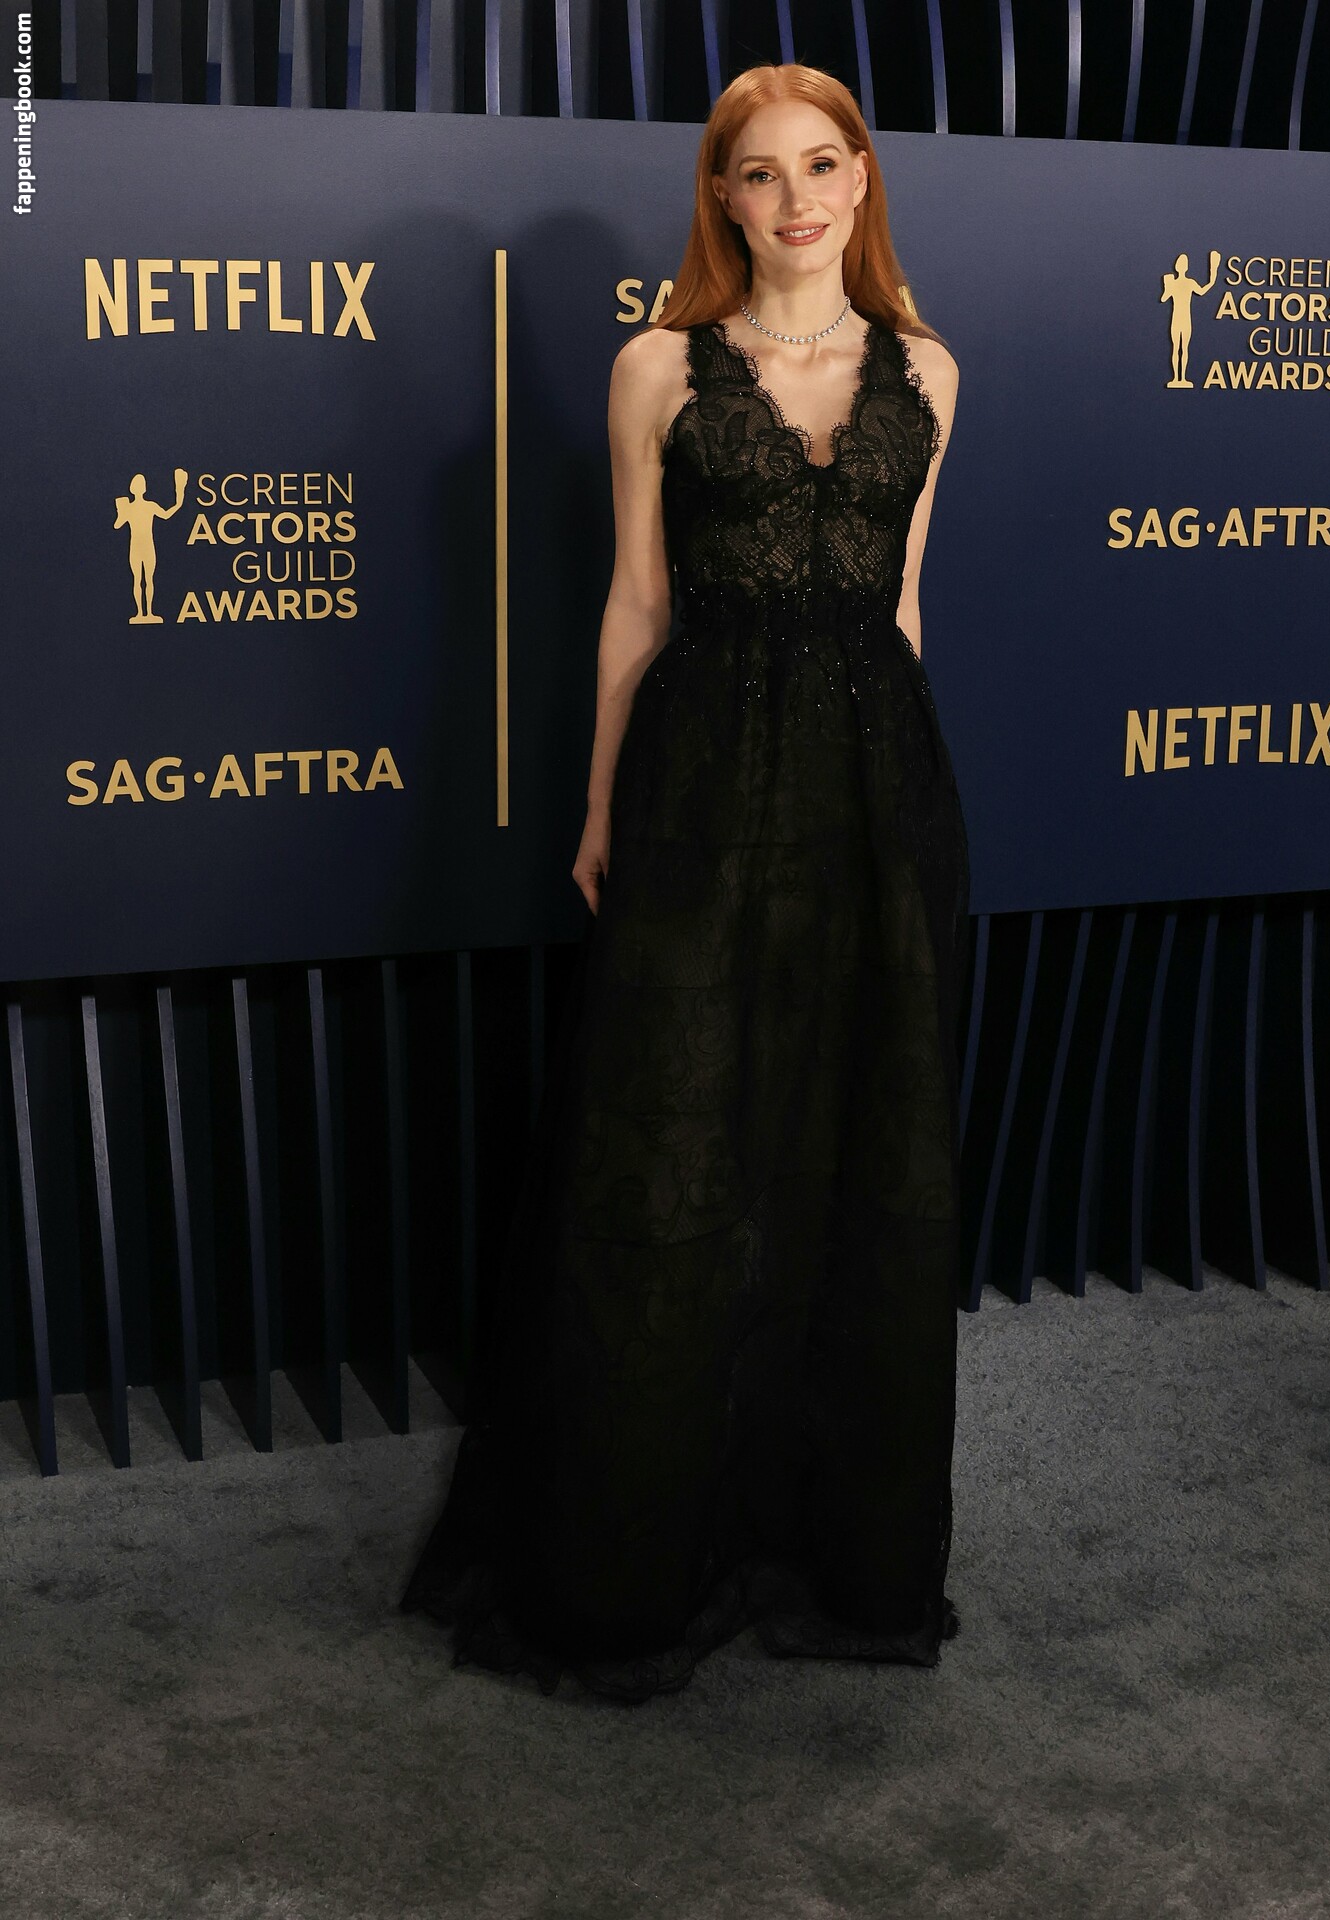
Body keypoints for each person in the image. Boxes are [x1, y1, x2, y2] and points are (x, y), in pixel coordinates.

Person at [400, 60, 971, 1703]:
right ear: (721, 195)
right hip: (702, 782)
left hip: (880, 798)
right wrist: (599, 807)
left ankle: (829, 1545)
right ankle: (632, 1559)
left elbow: (905, 603)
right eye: (760, 171)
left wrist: (912, 813)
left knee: (853, 1148)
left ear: (862, 181)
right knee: (669, 1147)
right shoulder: (656, 368)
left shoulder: (930, 370)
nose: (796, 198)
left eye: (822, 164)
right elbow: (637, 605)